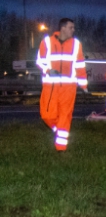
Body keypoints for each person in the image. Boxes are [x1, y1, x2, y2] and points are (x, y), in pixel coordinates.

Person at [37, 18, 87, 151]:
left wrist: (83, 85)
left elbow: (80, 65)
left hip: (69, 87)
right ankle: (59, 131)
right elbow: (39, 62)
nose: (73, 30)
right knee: (47, 115)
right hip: (50, 86)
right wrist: (48, 70)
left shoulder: (76, 44)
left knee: (65, 115)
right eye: (71, 27)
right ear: (63, 28)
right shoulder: (47, 42)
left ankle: (61, 149)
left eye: (73, 28)